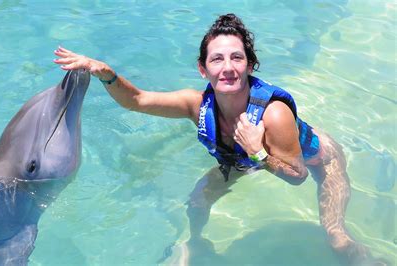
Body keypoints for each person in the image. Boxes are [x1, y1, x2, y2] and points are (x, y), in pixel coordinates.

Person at [54, 13, 381, 265]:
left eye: (236, 58)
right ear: (202, 69)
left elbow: (296, 176)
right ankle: (194, 244)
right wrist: (104, 72)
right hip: (244, 158)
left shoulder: (274, 115)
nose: (227, 68)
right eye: (217, 59)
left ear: (249, 65)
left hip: (316, 159)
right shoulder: (195, 105)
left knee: (337, 239)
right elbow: (136, 100)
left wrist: (258, 152)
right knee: (197, 201)